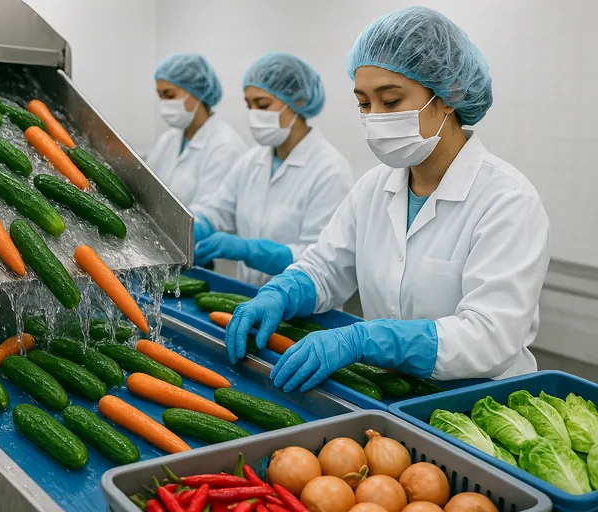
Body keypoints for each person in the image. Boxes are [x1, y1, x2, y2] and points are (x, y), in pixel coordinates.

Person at [225, 7, 550, 389]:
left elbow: (490, 338)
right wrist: (282, 292)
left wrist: (366, 339)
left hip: (480, 404)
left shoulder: (507, 201)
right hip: (391, 395)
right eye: (364, 103)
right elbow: (327, 266)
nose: (375, 117)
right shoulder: (373, 188)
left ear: (450, 96)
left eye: (391, 101)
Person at [191, 53, 354, 286]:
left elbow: (322, 259)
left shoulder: (330, 171)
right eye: (249, 106)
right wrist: (197, 224)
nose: (254, 114)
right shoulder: (252, 160)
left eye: (263, 105)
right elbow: (219, 208)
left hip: (303, 309)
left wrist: (251, 251)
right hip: (249, 295)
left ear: (298, 101)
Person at [146, 53, 246, 206]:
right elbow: (147, 185)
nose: (164, 103)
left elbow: (212, 212)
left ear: (197, 92)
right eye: (161, 96)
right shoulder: (169, 139)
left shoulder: (226, 147)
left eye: (170, 95)